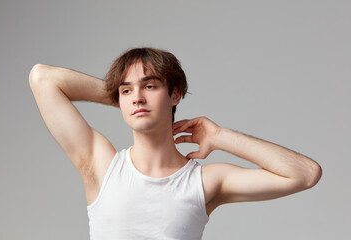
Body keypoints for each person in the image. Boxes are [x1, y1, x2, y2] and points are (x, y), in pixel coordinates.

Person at [29, 47, 322, 240]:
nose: (138, 96)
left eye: (150, 85)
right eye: (127, 89)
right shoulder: (101, 166)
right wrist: (122, 96)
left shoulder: (204, 182)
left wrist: (220, 137)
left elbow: (305, 174)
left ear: (176, 94)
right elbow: (42, 78)